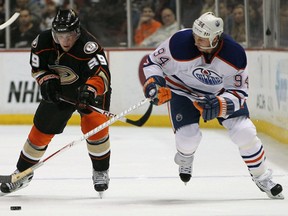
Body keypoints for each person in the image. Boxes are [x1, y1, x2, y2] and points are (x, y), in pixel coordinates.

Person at [142, 12, 284, 199]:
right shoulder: (179, 42)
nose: (196, 42)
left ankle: (262, 176)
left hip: (219, 94)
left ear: (216, 38)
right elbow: (153, 62)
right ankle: (185, 157)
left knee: (245, 132)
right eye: (196, 36)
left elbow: (240, 91)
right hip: (182, 91)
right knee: (187, 139)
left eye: (202, 39)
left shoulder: (234, 54)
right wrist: (154, 83)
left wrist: (219, 104)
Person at [0, 9, 112, 196]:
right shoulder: (42, 42)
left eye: (70, 35)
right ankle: (21, 174)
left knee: (96, 128)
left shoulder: (89, 46)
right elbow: (38, 68)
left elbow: (102, 75)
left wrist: (90, 89)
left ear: (77, 31)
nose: (65, 41)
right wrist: (46, 80)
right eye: (61, 36)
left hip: (89, 90)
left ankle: (101, 171)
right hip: (61, 91)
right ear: (53, 33)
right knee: (41, 129)